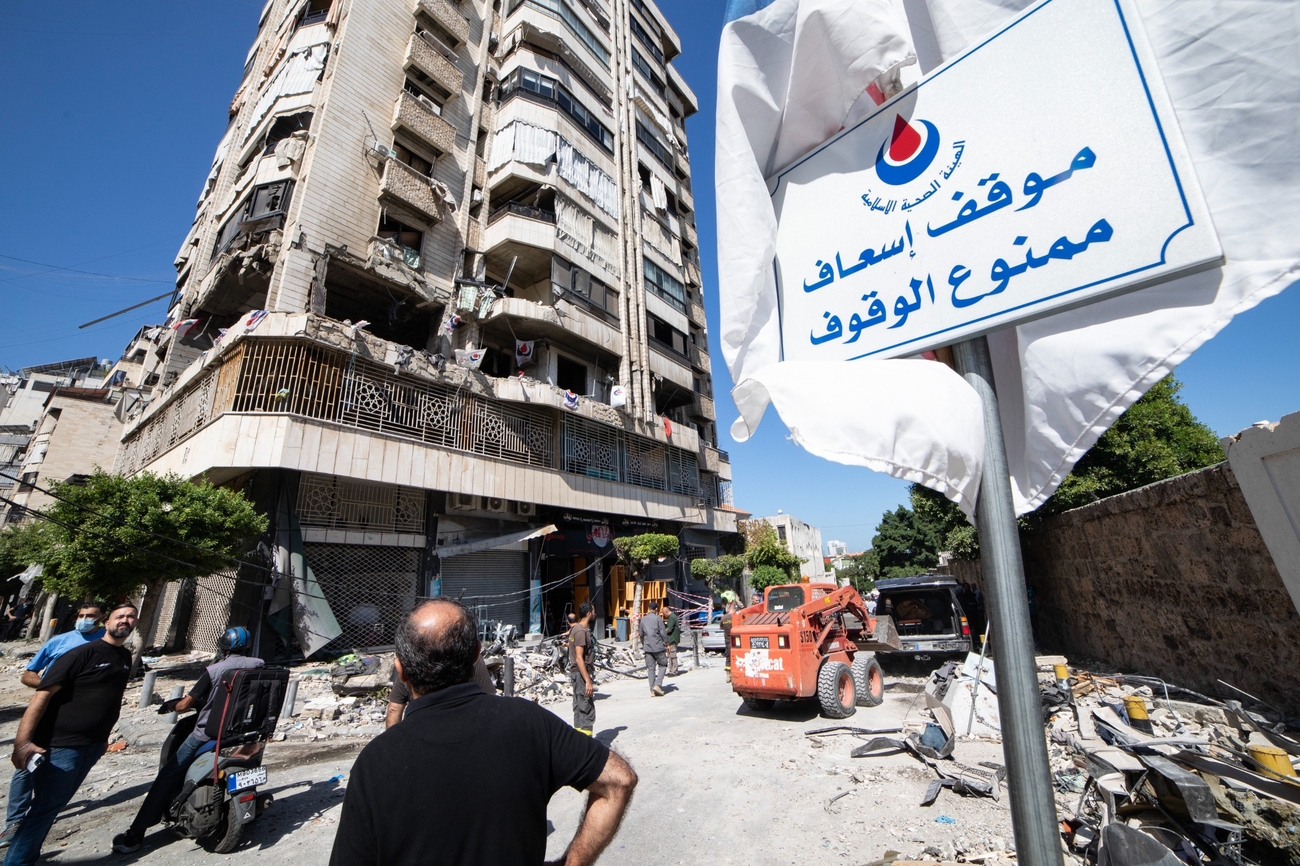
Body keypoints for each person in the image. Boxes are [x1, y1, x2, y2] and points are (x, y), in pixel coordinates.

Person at [330, 599, 636, 866]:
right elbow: (619, 779)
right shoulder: (527, 722)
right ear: (477, 654)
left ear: (401, 669)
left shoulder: (375, 763)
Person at [110, 627, 265, 854]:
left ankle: (136, 834)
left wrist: (172, 705)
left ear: (222, 648)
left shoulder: (213, 671)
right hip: (245, 731)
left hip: (208, 735)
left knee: (168, 774)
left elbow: (185, 705)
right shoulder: (258, 665)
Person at [5, 602, 137, 866]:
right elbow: (41, 696)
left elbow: (111, 701)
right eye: (119, 616)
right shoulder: (81, 653)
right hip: (61, 745)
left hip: (92, 745)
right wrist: (22, 743)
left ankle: (26, 856)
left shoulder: (124, 657)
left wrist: (104, 740)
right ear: (107, 623)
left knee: (51, 807)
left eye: (131, 617)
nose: (125, 620)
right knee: (44, 809)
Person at [0, 602, 105, 850]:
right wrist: (51, 686)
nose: (84, 619)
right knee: (28, 765)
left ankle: (41, 816)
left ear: (102, 619)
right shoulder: (60, 641)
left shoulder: (107, 644)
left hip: (84, 723)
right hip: (48, 713)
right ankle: (14, 822)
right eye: (81, 615)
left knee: (68, 772)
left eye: (90, 616)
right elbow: (28, 674)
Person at [386, 653, 495, 728]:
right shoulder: (469, 657)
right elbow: (490, 701)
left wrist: (392, 744)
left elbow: (394, 708)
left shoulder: (413, 658)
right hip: (464, 729)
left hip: (420, 731)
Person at [567, 602, 596, 735]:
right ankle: (586, 746)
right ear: (589, 613)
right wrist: (588, 681)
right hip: (580, 674)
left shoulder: (575, 629)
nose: (595, 614)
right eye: (593, 611)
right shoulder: (580, 632)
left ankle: (579, 744)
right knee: (586, 709)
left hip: (577, 674)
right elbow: (579, 658)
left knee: (579, 708)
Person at [639, 601, 669, 697]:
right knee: (663, 665)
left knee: (650, 669)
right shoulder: (658, 619)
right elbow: (663, 633)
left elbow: (641, 634)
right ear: (656, 609)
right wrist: (667, 643)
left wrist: (644, 644)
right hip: (658, 647)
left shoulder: (643, 620)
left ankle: (652, 690)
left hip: (647, 648)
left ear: (648, 608)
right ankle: (658, 685)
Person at [664, 606, 681, 676]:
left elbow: (669, 629)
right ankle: (671, 669)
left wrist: (662, 632)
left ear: (666, 612)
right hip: (672, 638)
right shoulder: (672, 617)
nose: (664, 616)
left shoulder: (671, 617)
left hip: (672, 638)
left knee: (673, 654)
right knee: (670, 654)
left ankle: (674, 670)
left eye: (664, 614)